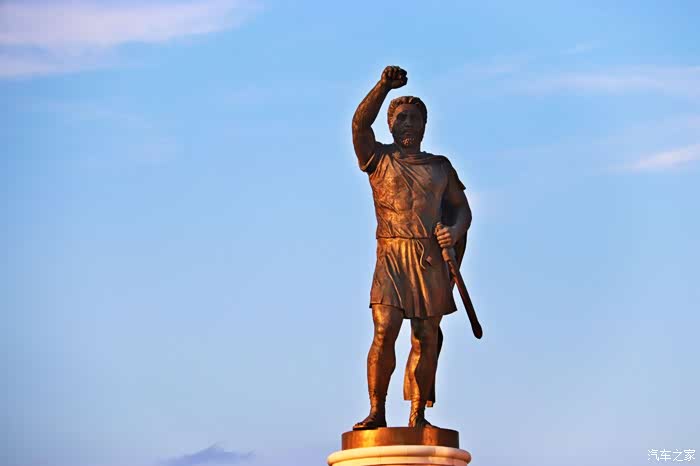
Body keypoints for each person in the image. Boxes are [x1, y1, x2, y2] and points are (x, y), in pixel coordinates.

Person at [351, 66, 472, 429]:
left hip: (427, 258)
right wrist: (382, 87)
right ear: (390, 125)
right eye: (400, 118)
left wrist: (454, 229)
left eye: (414, 118)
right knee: (384, 328)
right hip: (391, 255)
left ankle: (418, 416)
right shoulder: (378, 159)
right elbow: (359, 125)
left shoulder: (440, 167)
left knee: (425, 336)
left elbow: (462, 209)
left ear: (424, 126)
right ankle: (377, 411)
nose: (407, 123)